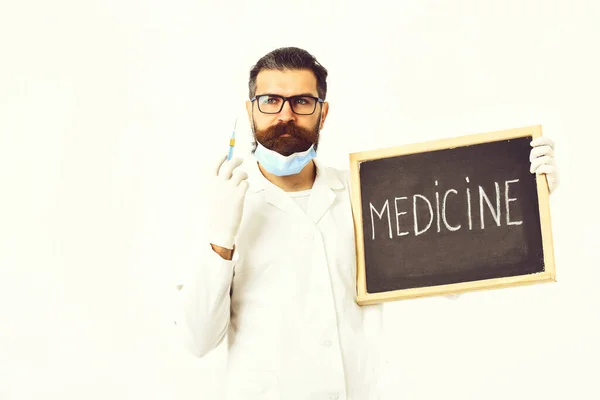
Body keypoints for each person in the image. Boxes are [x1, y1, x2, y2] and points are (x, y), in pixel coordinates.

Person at [174, 47, 559, 400]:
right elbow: (199, 340)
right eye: (271, 100)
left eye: (302, 101)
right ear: (250, 109)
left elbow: (447, 272)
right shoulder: (219, 203)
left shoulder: (364, 193)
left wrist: (525, 199)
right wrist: (219, 239)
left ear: (323, 112)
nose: (285, 114)